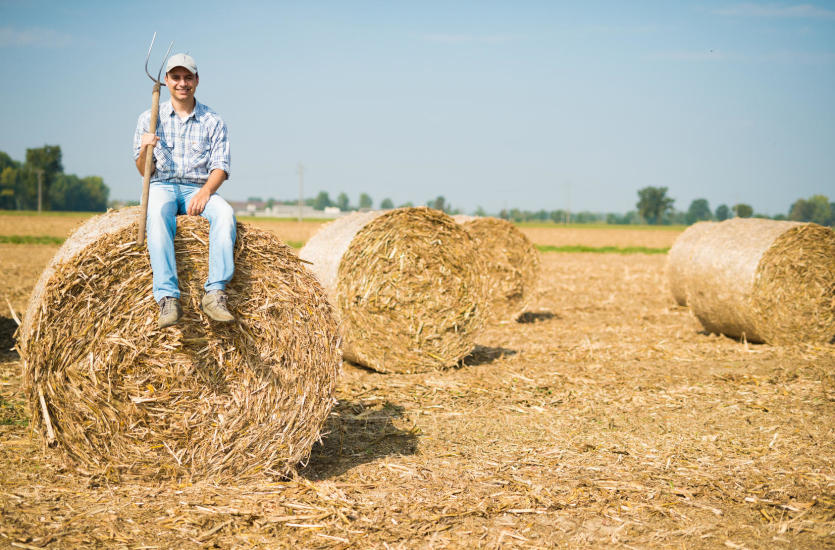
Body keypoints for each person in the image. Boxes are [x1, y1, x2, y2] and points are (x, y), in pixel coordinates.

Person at [133, 52, 236, 329]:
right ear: (166, 81)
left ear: (197, 81)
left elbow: (221, 167)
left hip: (197, 187)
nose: (182, 83)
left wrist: (205, 193)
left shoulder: (213, 121)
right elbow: (145, 171)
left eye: (187, 77)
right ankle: (167, 297)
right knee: (156, 215)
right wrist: (145, 147)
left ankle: (215, 292)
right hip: (162, 185)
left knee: (225, 215)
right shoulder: (149, 118)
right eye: (176, 77)